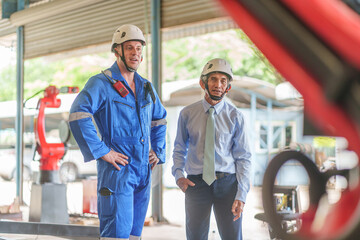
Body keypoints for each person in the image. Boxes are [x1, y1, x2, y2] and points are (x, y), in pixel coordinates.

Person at [69, 24, 167, 240]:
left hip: (143, 170)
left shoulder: (146, 86)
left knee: (134, 235)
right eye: (130, 48)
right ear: (117, 51)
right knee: (116, 234)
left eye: (139, 48)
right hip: (117, 171)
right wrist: (103, 151)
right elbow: (78, 114)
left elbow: (159, 118)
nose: (135, 53)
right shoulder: (101, 83)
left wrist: (157, 151)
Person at [172, 58, 251, 240]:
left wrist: (242, 193)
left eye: (223, 81)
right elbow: (179, 149)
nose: (218, 84)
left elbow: (244, 158)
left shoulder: (236, 116)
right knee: (195, 237)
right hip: (196, 185)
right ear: (203, 83)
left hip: (228, 185)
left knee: (232, 236)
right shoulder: (187, 114)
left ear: (228, 87)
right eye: (213, 79)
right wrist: (178, 175)